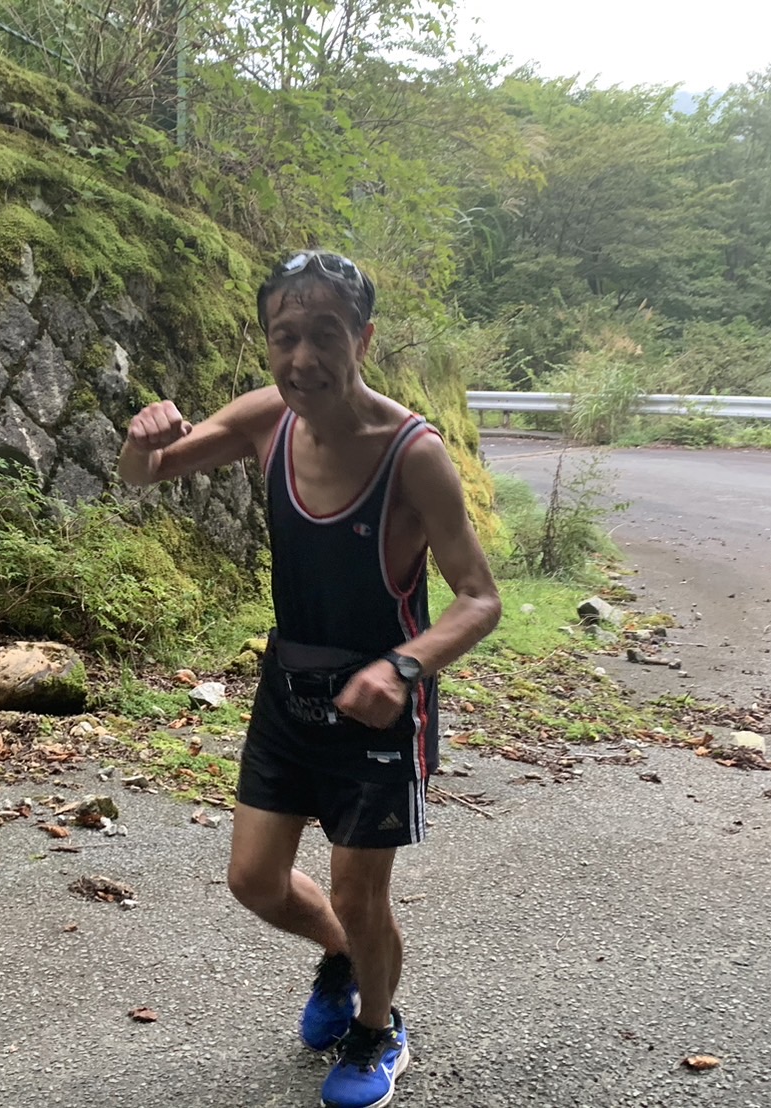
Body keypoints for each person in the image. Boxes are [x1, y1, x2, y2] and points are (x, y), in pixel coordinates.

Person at [117, 250, 502, 1108]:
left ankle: (377, 1030)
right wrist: (139, 443)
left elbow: (479, 598)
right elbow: (144, 478)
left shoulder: (411, 453)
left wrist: (402, 667)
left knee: (358, 894)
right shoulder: (266, 418)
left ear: (362, 339)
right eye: (283, 336)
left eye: (324, 334)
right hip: (288, 693)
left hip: (378, 712)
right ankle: (341, 958)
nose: (301, 358)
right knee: (254, 880)